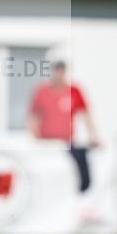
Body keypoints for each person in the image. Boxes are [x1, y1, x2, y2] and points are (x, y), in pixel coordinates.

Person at [28, 60, 100, 193]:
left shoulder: (74, 91)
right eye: (57, 71)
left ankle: (83, 193)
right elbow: (33, 116)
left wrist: (93, 137)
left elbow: (86, 116)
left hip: (67, 143)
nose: (59, 74)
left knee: (80, 166)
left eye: (62, 71)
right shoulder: (42, 91)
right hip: (47, 145)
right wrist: (34, 136)